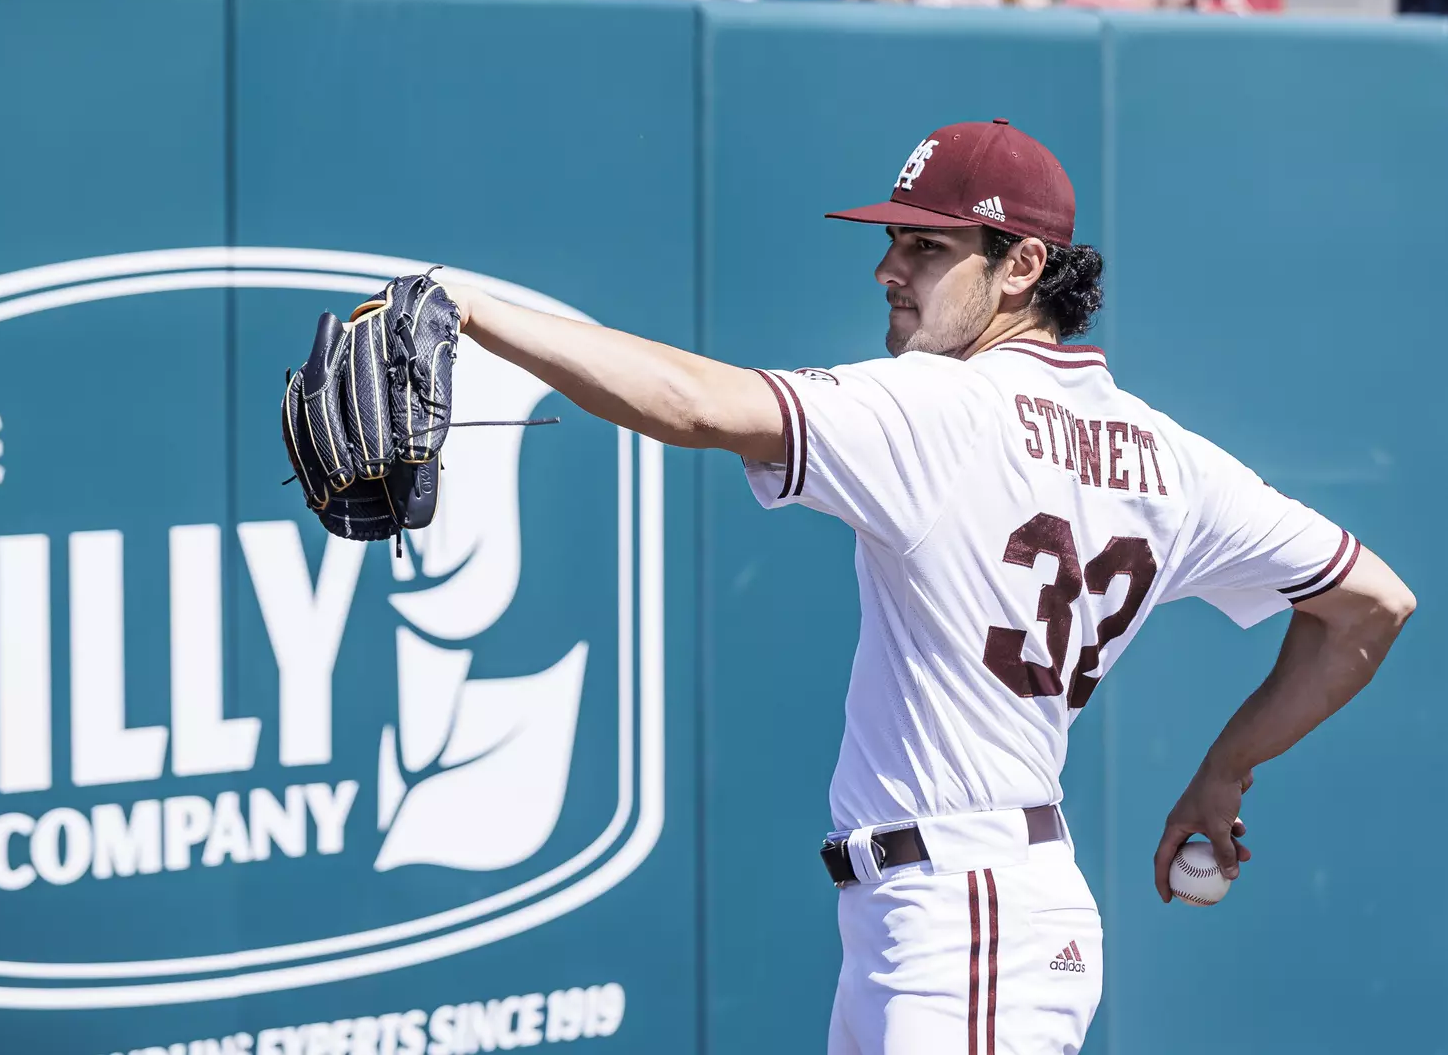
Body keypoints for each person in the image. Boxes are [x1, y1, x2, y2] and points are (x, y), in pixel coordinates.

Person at [430, 118, 1415, 1054]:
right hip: (949, 911)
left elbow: (695, 403)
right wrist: (1227, 768)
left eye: (925, 248)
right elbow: (1370, 602)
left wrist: (469, 312)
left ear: (1022, 266)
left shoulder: (940, 403)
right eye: (894, 243)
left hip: (969, 915)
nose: (887, 270)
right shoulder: (1166, 456)